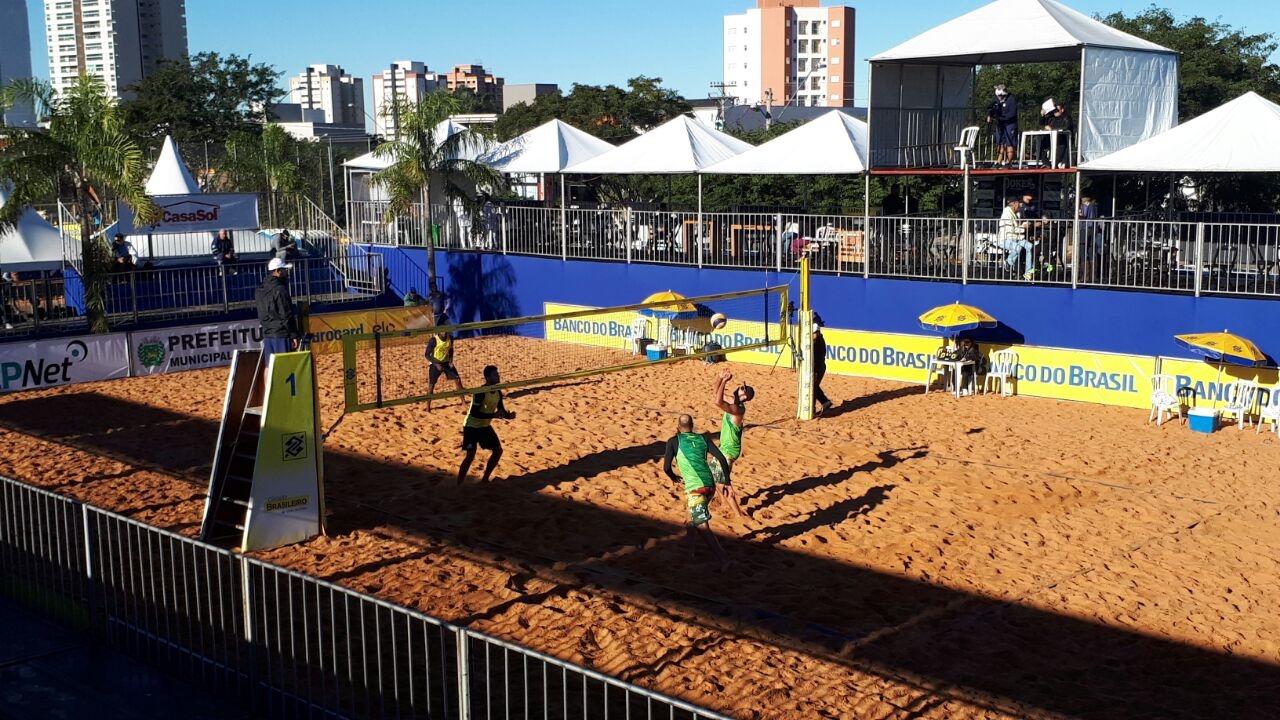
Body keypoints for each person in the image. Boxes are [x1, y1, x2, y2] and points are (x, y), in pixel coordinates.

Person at [662, 413, 731, 570]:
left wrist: (673, 476)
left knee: (701, 524)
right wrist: (727, 482)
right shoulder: (704, 438)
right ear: (692, 425)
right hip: (710, 486)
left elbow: (666, 467)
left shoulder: (673, 441)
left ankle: (723, 558)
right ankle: (690, 553)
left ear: (678, 427)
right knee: (691, 519)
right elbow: (721, 458)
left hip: (695, 489)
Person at [457, 364, 515, 483]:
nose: (498, 376)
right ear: (488, 377)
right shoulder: (480, 392)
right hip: (471, 426)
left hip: (484, 426)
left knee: (498, 451)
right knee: (470, 456)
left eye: (497, 373)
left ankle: (485, 479)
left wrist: (509, 416)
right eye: (495, 374)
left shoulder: (498, 392)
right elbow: (474, 413)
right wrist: (493, 415)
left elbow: (501, 410)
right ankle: (459, 484)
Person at [711, 369, 753, 518]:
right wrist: (719, 377)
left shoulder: (737, 409)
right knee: (714, 476)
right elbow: (716, 393)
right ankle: (723, 502)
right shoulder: (734, 403)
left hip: (728, 452)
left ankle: (739, 515)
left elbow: (717, 402)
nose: (739, 388)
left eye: (742, 389)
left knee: (723, 484)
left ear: (744, 397)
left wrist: (725, 381)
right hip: (725, 449)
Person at [255, 257, 301, 360]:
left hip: (267, 332)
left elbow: (262, 312)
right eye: (284, 270)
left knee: (269, 366)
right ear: (277, 271)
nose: (286, 272)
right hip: (280, 333)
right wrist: (294, 335)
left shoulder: (260, 289)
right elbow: (286, 314)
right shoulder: (280, 289)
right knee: (284, 366)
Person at [425, 330, 465, 411]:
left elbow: (451, 350)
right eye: (442, 331)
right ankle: (428, 408)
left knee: (457, 380)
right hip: (435, 364)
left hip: (446, 363)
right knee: (431, 385)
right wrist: (436, 364)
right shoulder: (433, 340)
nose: (443, 332)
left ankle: (463, 402)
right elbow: (427, 354)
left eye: (445, 330)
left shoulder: (450, 338)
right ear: (439, 332)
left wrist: (451, 361)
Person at [999, 198, 1035, 280]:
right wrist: (1023, 228)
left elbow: (1017, 227)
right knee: (1018, 248)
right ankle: (1008, 262)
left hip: (1016, 238)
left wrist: (1024, 224)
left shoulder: (1016, 213)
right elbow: (1011, 230)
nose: (1020, 205)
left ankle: (1028, 272)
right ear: (1014, 204)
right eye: (1019, 203)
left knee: (1030, 246)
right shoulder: (1006, 214)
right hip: (1005, 239)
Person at [986, 85, 1018, 167]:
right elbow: (991, 108)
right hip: (1000, 124)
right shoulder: (995, 99)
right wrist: (990, 115)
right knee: (1000, 143)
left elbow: (1012, 113)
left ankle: (1008, 161)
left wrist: (1003, 118)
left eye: (1001, 96)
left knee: (1010, 143)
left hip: (1010, 124)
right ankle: (999, 161)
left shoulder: (1011, 99)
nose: (999, 97)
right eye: (998, 96)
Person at [1040, 101, 1074, 167]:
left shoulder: (1067, 117)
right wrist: (1042, 116)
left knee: (1061, 146)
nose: (1055, 112)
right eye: (1054, 110)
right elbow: (1041, 123)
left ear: (1062, 110)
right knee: (1042, 144)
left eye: (1057, 110)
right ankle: (1046, 163)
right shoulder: (1051, 117)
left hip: (1062, 140)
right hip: (1051, 138)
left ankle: (1054, 165)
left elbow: (1067, 127)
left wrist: (1052, 129)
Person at [812, 313, 833, 415]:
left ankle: (823, 403)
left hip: (818, 367)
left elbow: (816, 358)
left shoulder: (817, 343)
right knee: (813, 386)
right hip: (817, 366)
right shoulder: (816, 341)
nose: (814, 334)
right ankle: (824, 402)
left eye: (815, 333)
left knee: (813, 387)